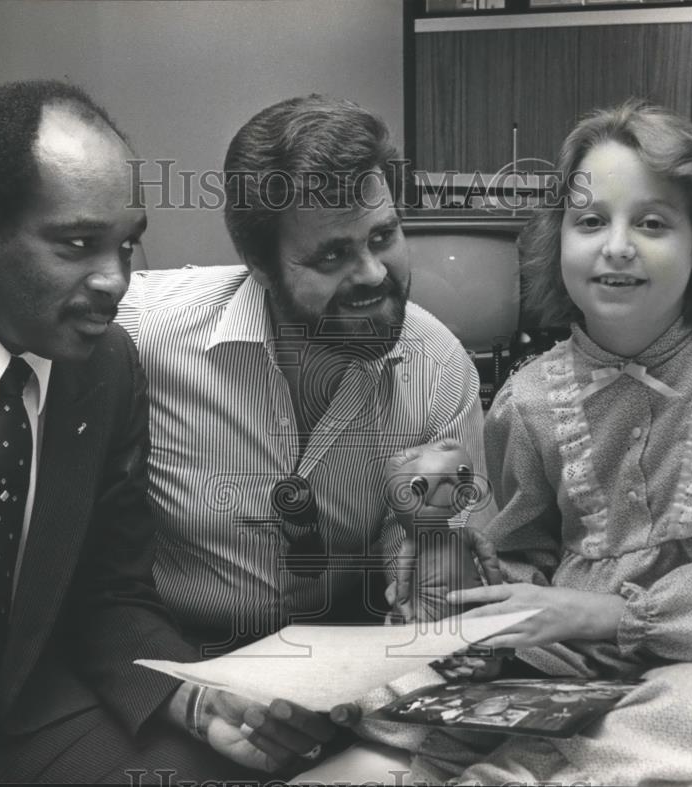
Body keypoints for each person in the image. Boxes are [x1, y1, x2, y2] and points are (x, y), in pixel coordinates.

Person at [0, 79, 330, 784]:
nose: (115, 281)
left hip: (23, 714)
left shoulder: (106, 368)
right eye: (76, 244)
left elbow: (110, 594)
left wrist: (194, 697)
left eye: (127, 245)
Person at [423, 101, 692, 785]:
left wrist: (611, 613)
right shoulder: (527, 402)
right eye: (589, 221)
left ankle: (528, 772)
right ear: (559, 243)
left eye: (651, 222)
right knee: (411, 705)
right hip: (567, 666)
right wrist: (488, 626)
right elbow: (522, 560)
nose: (616, 244)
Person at [115, 94, 493, 772]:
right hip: (181, 672)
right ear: (259, 269)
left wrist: (436, 555)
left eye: (383, 237)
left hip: (344, 682)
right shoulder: (143, 335)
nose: (374, 274)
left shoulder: (438, 369)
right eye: (332, 256)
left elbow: (437, 595)